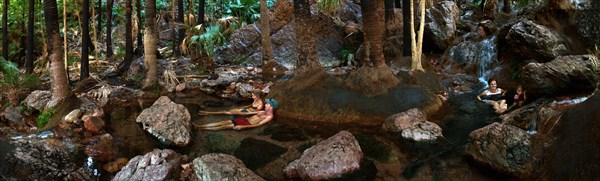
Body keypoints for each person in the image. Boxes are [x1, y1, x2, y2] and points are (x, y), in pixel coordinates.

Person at [194, 98, 279, 131]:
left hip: (247, 124)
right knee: (223, 122)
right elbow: (249, 113)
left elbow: (258, 125)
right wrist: (239, 111)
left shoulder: (269, 117)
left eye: (268, 104)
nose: (266, 104)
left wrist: (243, 127)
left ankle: (203, 128)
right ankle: (200, 126)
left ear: (271, 107)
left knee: (223, 126)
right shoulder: (262, 111)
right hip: (245, 120)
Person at [199, 91, 265, 115]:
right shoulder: (255, 100)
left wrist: (242, 112)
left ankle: (208, 113)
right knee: (228, 111)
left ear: (258, 96)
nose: (252, 96)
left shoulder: (260, 104)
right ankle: (208, 113)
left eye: (253, 95)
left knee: (228, 112)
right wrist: (242, 107)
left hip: (246, 112)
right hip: (245, 110)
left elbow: (254, 113)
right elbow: (250, 105)